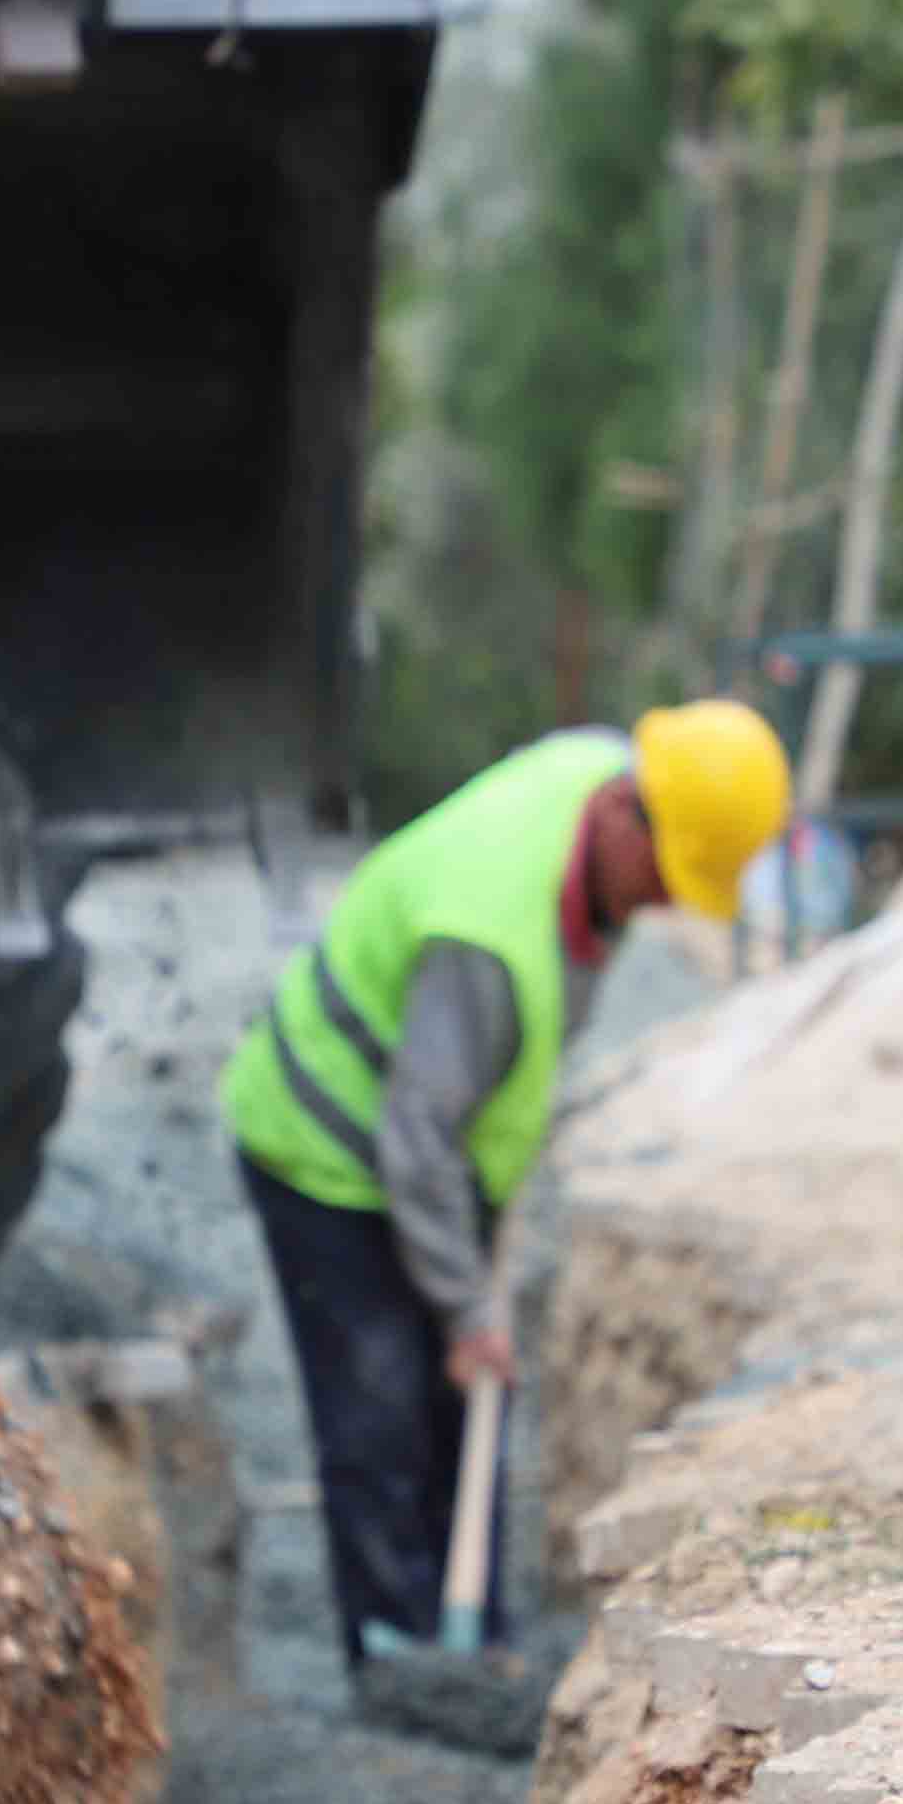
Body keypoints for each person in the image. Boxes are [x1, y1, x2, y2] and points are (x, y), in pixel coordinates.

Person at [217, 706, 790, 1678]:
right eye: (661, 874)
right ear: (621, 812)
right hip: (324, 1145)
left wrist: (469, 1312)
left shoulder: (605, 775)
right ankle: (394, 1664)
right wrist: (468, 1306)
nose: (658, 902)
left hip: (429, 1144)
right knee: (379, 1403)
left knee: (460, 1395)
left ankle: (469, 1636)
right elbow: (418, 1137)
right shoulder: (486, 934)